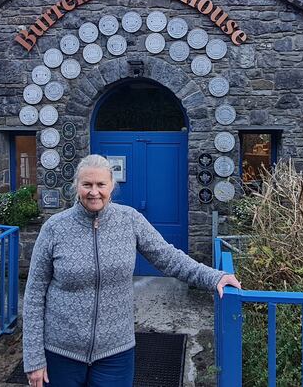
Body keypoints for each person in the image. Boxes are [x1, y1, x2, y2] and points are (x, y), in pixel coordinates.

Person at [23, 154, 241, 387]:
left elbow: (168, 257)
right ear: (77, 186)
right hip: (61, 353)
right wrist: (34, 358)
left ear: (112, 186)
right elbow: (34, 295)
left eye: (100, 184)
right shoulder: (55, 228)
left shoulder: (130, 221)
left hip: (115, 353)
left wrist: (213, 276)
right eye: (87, 184)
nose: (93, 192)